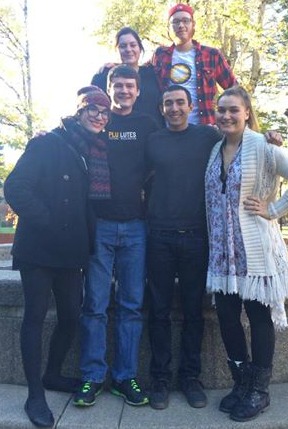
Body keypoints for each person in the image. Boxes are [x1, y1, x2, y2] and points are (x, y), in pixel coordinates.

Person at [205, 86, 288, 422]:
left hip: (253, 252)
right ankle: (241, 383)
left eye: (233, 110)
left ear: (247, 112)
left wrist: (275, 209)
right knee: (226, 317)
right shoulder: (215, 149)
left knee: (257, 316)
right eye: (221, 109)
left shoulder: (263, 146)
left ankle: (259, 390)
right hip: (224, 255)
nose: (226, 115)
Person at [4, 86, 111, 428]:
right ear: (79, 112)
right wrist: (47, 220)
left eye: (104, 112)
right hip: (39, 247)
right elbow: (16, 187)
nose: (98, 115)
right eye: (92, 109)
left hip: (71, 250)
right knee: (34, 317)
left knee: (70, 317)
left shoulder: (93, 151)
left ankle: (52, 374)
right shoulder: (48, 142)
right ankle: (36, 393)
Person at [73, 65, 159, 408]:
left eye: (128, 86)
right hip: (100, 225)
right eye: (117, 86)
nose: (123, 90)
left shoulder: (147, 125)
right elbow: (68, 130)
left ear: (138, 91)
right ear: (108, 90)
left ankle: (125, 377)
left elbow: (169, 153)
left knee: (131, 305)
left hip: (137, 227)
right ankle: (92, 376)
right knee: (94, 304)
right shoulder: (98, 122)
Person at [146, 84, 222, 410]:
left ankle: (191, 378)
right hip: (158, 236)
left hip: (195, 237)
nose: (174, 108)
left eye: (180, 102)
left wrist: (270, 135)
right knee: (159, 310)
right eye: (168, 103)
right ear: (162, 108)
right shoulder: (152, 141)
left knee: (194, 311)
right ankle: (160, 379)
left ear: (190, 106)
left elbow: (242, 137)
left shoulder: (207, 136)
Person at [152, 3, 237, 125]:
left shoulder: (212, 54)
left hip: (205, 129)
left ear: (193, 24)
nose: (181, 25)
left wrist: (227, 117)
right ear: (169, 27)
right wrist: (115, 67)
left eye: (185, 20)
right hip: (169, 130)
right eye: (175, 22)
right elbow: (139, 71)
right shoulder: (160, 55)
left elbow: (234, 89)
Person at [92, 26, 164, 127]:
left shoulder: (153, 74)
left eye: (133, 45)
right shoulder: (103, 76)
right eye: (123, 46)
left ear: (140, 48)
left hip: (151, 134)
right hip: (114, 134)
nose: (128, 49)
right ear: (117, 50)